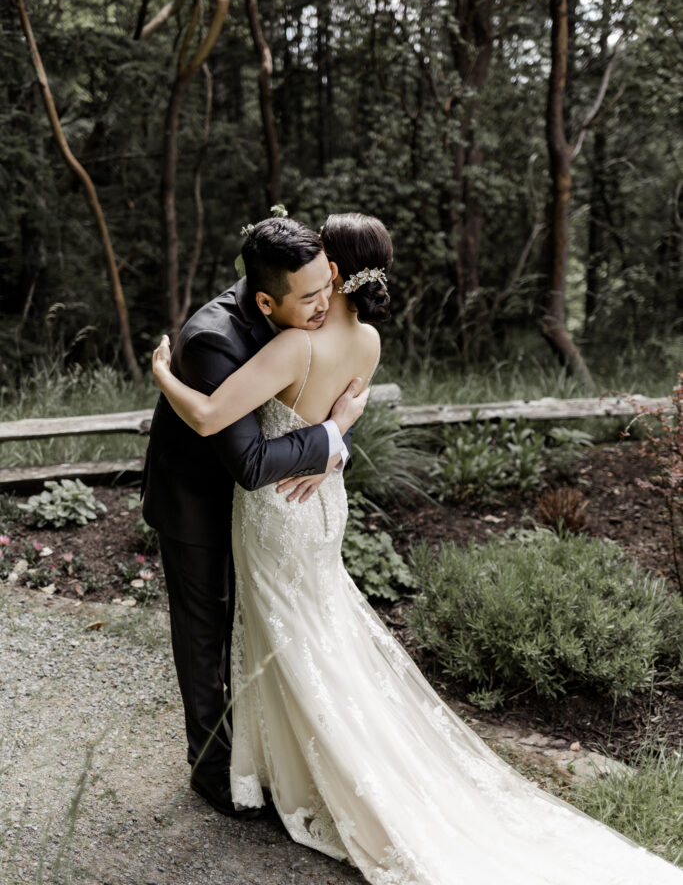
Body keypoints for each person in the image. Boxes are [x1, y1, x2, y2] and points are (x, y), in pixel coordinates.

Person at [152, 213, 683, 885]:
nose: (315, 293)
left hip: (277, 511)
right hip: (320, 504)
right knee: (321, 632)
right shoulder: (367, 341)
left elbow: (210, 418)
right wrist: (333, 436)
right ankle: (288, 759)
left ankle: (317, 770)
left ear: (335, 273)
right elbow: (333, 415)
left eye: (322, 277)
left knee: (290, 636)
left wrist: (162, 373)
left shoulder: (293, 346)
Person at [141, 216, 369, 819]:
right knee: (205, 633)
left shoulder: (312, 315)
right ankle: (213, 769)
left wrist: (334, 432)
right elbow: (249, 461)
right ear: (266, 300)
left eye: (330, 285)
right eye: (311, 297)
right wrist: (332, 432)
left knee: (258, 627)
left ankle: (261, 756)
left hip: (263, 509)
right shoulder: (212, 337)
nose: (326, 304)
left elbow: (327, 385)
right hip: (199, 498)